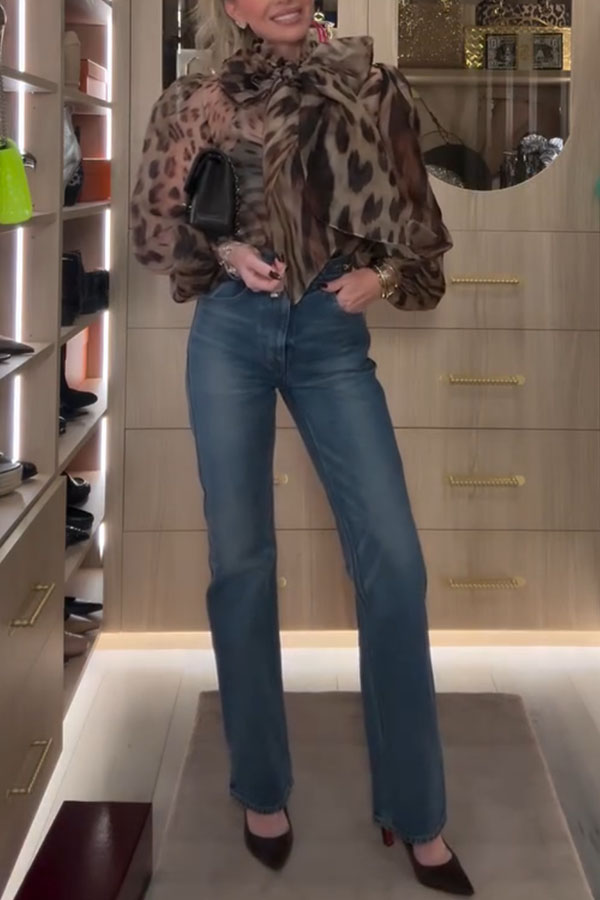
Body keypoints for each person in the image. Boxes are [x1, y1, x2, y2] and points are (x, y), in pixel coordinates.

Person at [131, 1, 474, 895]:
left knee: (393, 561)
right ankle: (261, 788)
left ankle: (416, 809)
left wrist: (382, 276)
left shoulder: (371, 86)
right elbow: (157, 222)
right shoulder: (197, 97)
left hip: (328, 334)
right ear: (232, 6)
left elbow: (419, 221)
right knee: (242, 562)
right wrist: (229, 254)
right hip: (230, 333)